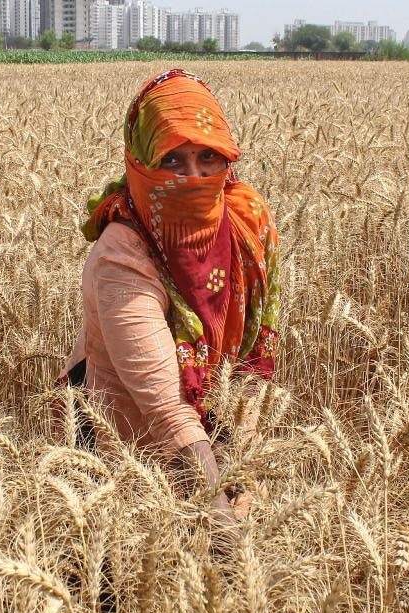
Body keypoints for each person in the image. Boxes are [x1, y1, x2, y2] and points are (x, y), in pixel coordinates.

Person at [58, 69, 281, 532]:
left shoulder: (246, 222)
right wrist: (225, 535)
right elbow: (166, 410)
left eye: (208, 157)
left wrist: (238, 466)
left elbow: (251, 366)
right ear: (141, 163)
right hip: (123, 446)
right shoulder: (121, 255)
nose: (194, 177)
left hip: (208, 436)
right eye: (173, 160)